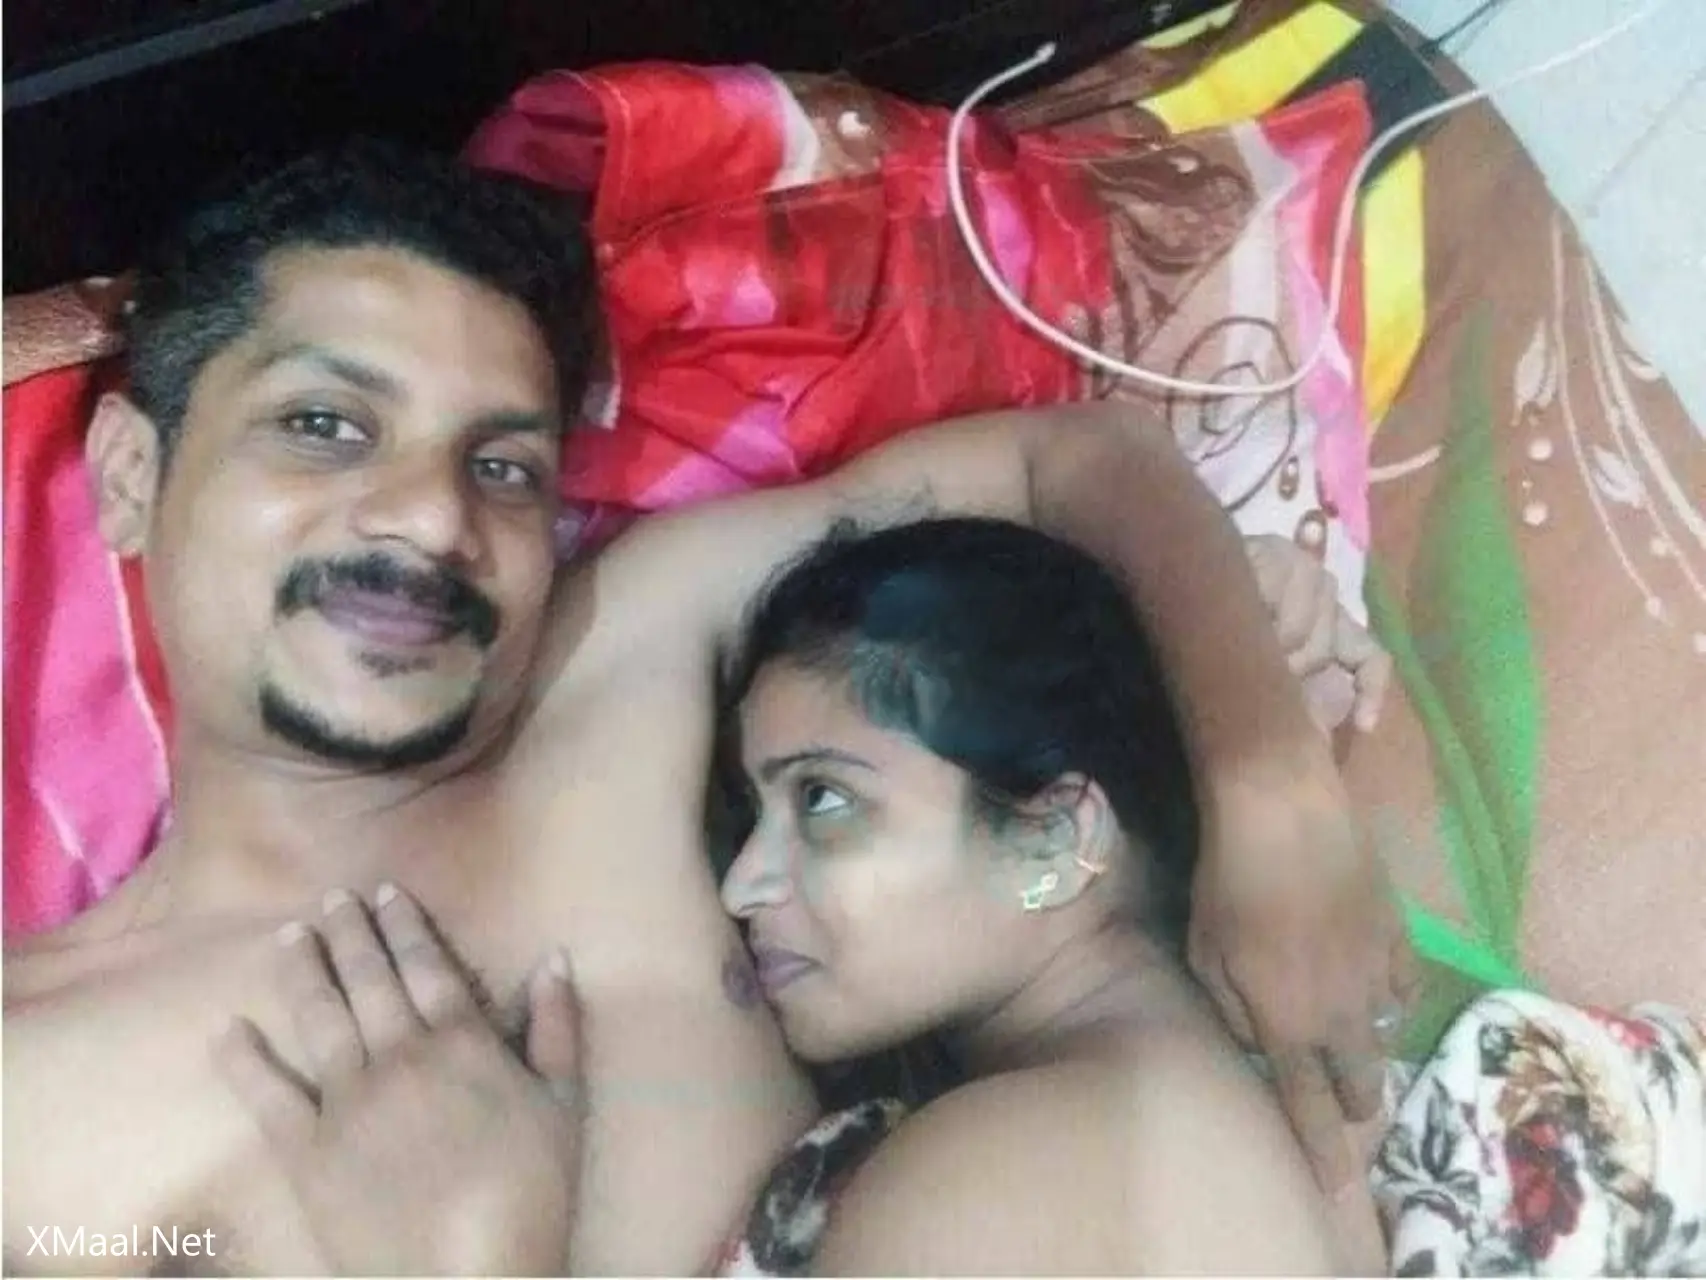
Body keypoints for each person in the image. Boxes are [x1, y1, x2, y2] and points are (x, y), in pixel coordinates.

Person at [3, 137, 1404, 1275]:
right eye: (324, 426)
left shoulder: (629, 659)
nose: (429, 518)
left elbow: (1070, 465)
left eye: (502, 466)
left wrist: (1267, 786)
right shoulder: (33, 1089)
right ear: (130, 475)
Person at [713, 517, 1388, 1274]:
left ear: (1054, 840)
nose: (741, 885)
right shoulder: (1294, 1148)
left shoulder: (987, 1181)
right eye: (751, 813)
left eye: (824, 800)